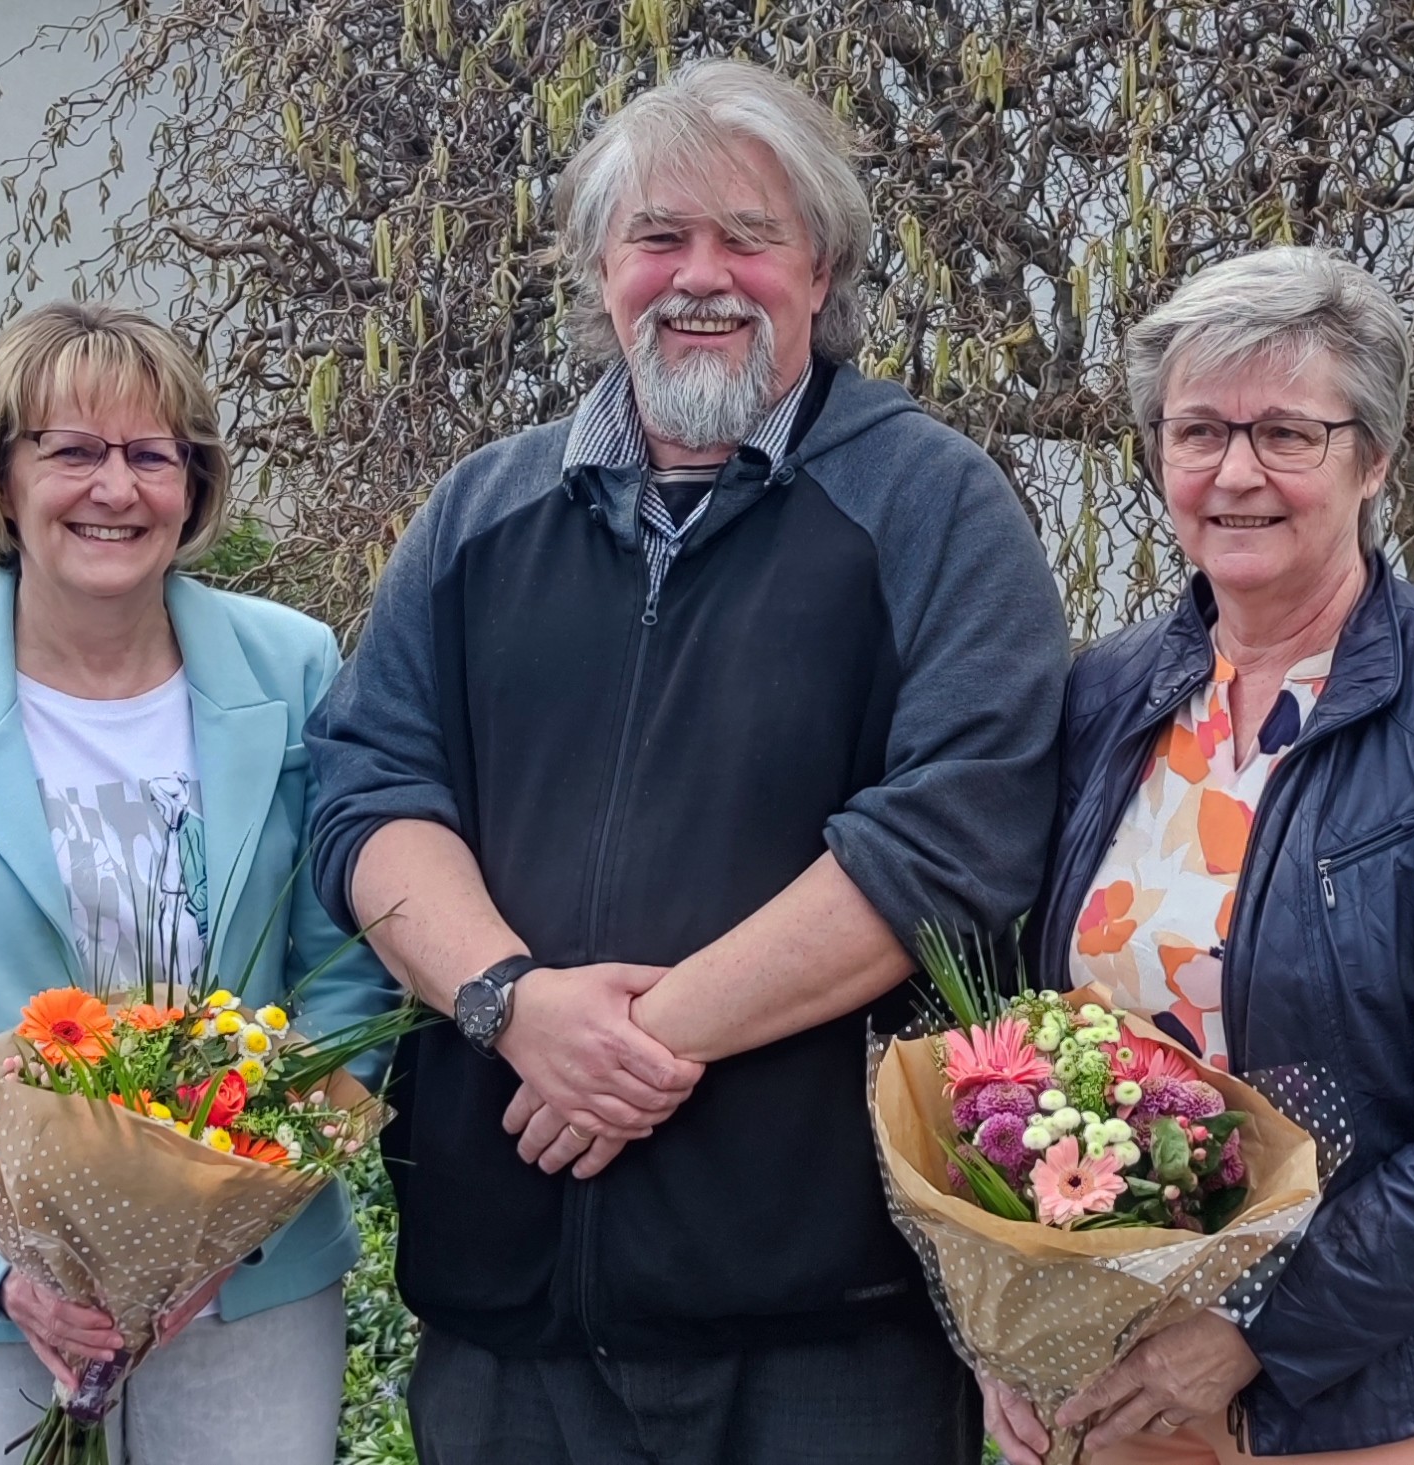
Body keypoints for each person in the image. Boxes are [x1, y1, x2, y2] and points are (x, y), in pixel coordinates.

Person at [307, 58, 1070, 1465]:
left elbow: (956, 835)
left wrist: (640, 1042)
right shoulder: (481, 510)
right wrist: (508, 1000)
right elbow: (370, 788)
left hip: (824, 1323)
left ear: (824, 267)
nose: (699, 276)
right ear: (599, 265)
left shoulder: (932, 505)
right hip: (509, 1319)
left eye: (748, 238)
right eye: (660, 236)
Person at [986, 247, 1414, 1464]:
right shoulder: (1106, 698)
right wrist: (998, 1310)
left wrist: (1256, 1326)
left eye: (1287, 433)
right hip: (1107, 1379)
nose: (1234, 473)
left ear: (1372, 459)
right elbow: (1010, 1027)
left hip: (1375, 1399)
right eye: (1198, 431)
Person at [0, 301, 397, 1464]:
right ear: (4, 476)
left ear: (192, 483)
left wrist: (237, 1213)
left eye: (150, 454)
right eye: (71, 450)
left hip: (245, 1281)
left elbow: (346, 975)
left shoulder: (292, 664)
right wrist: (2, 1270)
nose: (113, 488)